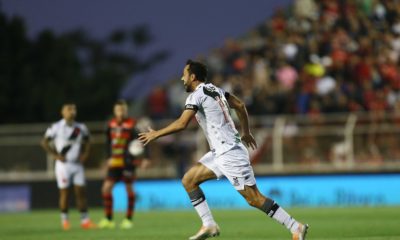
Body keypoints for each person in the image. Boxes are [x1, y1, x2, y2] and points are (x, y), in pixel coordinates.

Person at [139, 60, 309, 240]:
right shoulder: (216, 90)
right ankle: (209, 224)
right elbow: (240, 105)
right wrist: (246, 132)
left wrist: (156, 134)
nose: (182, 78)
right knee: (189, 180)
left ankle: (294, 226)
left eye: (185, 75)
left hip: (229, 153)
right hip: (219, 152)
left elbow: (182, 123)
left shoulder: (196, 96)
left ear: (193, 77)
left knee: (254, 199)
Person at [41, 103, 96, 230]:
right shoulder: (56, 127)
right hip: (63, 165)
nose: (72, 111)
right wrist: (55, 156)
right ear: (62, 112)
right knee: (65, 193)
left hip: (77, 165)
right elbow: (44, 142)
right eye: (69, 109)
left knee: (81, 193)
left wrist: (85, 154)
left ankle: (85, 221)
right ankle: (65, 221)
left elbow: (88, 141)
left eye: (74, 109)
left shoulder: (81, 127)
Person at [98, 100, 148, 229]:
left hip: (128, 162)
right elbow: (108, 143)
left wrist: (145, 158)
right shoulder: (111, 124)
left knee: (129, 189)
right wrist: (107, 158)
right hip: (114, 161)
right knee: (106, 188)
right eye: (118, 110)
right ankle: (108, 219)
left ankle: (128, 220)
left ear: (126, 111)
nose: (121, 112)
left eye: (123, 110)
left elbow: (144, 138)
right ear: (115, 111)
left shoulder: (133, 124)